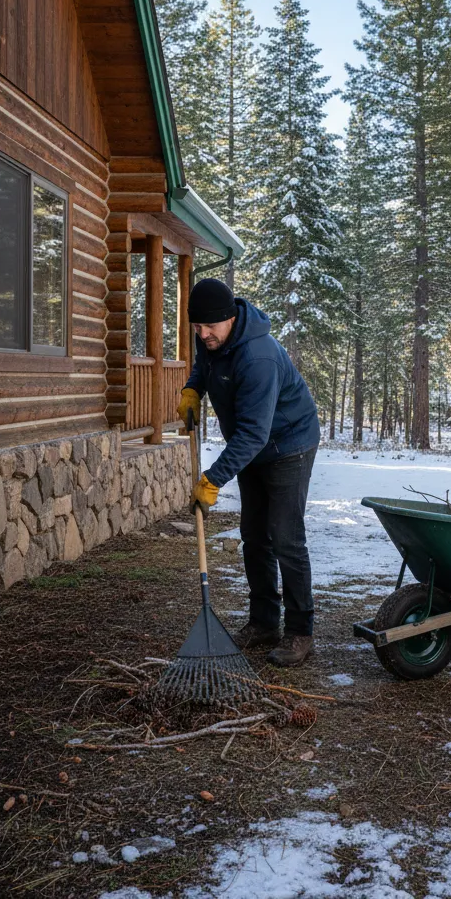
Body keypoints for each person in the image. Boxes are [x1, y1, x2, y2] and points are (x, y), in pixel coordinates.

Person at [177, 278, 320, 668]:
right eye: (197, 327)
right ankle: (264, 622)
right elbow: (205, 367)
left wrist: (213, 479)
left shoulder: (259, 357)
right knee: (254, 536)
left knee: (285, 537)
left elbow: (255, 433)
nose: (203, 334)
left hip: (289, 445)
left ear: (230, 318)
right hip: (252, 446)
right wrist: (193, 389)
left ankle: (300, 631)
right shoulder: (211, 338)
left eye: (210, 326)